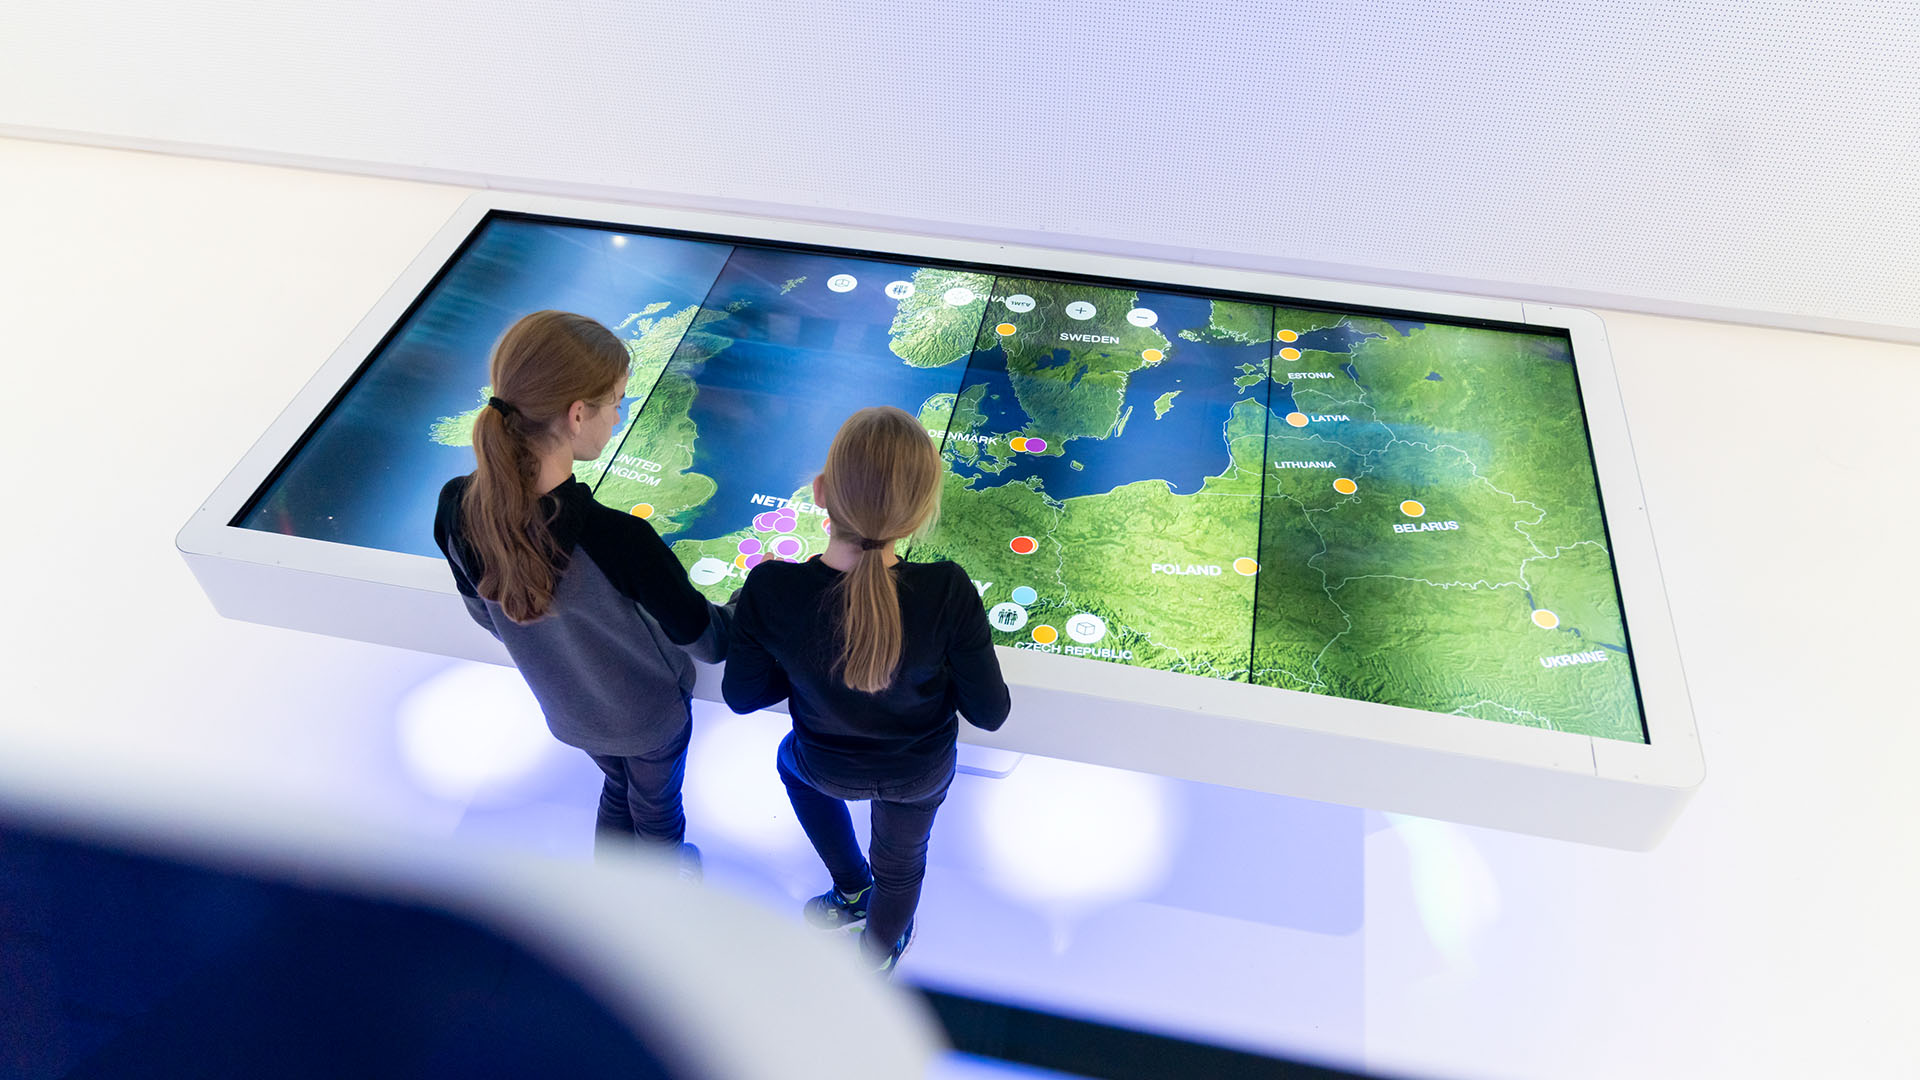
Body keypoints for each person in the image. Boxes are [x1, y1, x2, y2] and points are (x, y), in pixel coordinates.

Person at [433, 310, 727, 872]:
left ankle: (607, 897)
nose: (618, 417)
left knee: (618, 786)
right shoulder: (620, 540)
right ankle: (662, 904)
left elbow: (484, 615)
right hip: (649, 718)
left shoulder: (455, 505)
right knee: (657, 808)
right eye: (617, 400)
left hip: (570, 713)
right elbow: (709, 643)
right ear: (576, 413)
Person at [722, 406, 1011, 974]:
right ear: (922, 512)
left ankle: (851, 888)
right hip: (917, 774)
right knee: (902, 868)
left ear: (821, 492)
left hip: (825, 766)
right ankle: (877, 957)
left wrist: (801, 666)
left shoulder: (773, 588)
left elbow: (742, 696)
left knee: (790, 761)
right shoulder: (947, 591)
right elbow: (990, 712)